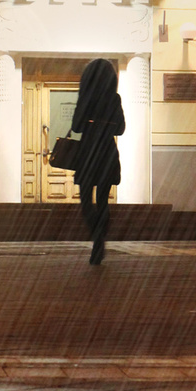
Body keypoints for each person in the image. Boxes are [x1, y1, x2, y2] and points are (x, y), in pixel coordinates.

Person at [71, 57, 125, 265]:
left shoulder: (85, 98)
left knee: (86, 201)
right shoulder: (114, 99)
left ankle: (97, 237)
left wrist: (91, 122)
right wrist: (106, 125)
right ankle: (100, 238)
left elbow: (76, 127)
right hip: (107, 153)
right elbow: (120, 128)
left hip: (87, 154)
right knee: (103, 201)